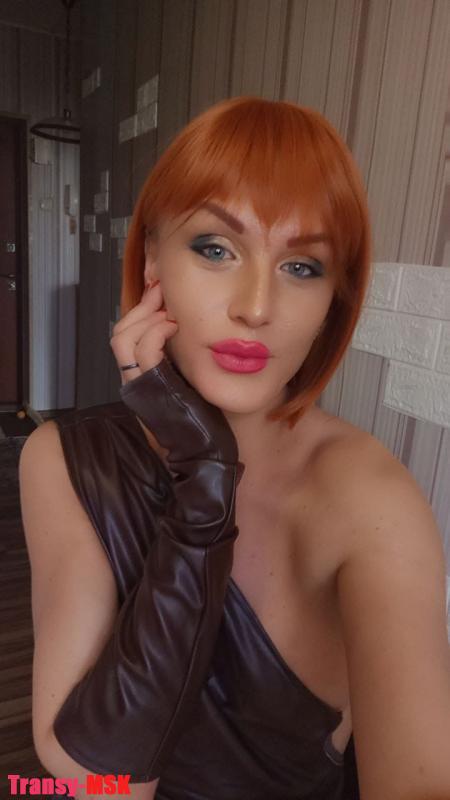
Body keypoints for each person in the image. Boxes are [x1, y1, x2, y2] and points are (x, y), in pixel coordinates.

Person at [19, 96, 450, 800]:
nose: (256, 305)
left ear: (333, 302)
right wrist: (204, 482)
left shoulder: (371, 500)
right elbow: (99, 783)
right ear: (153, 262)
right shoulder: (66, 457)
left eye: (302, 267)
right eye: (215, 249)